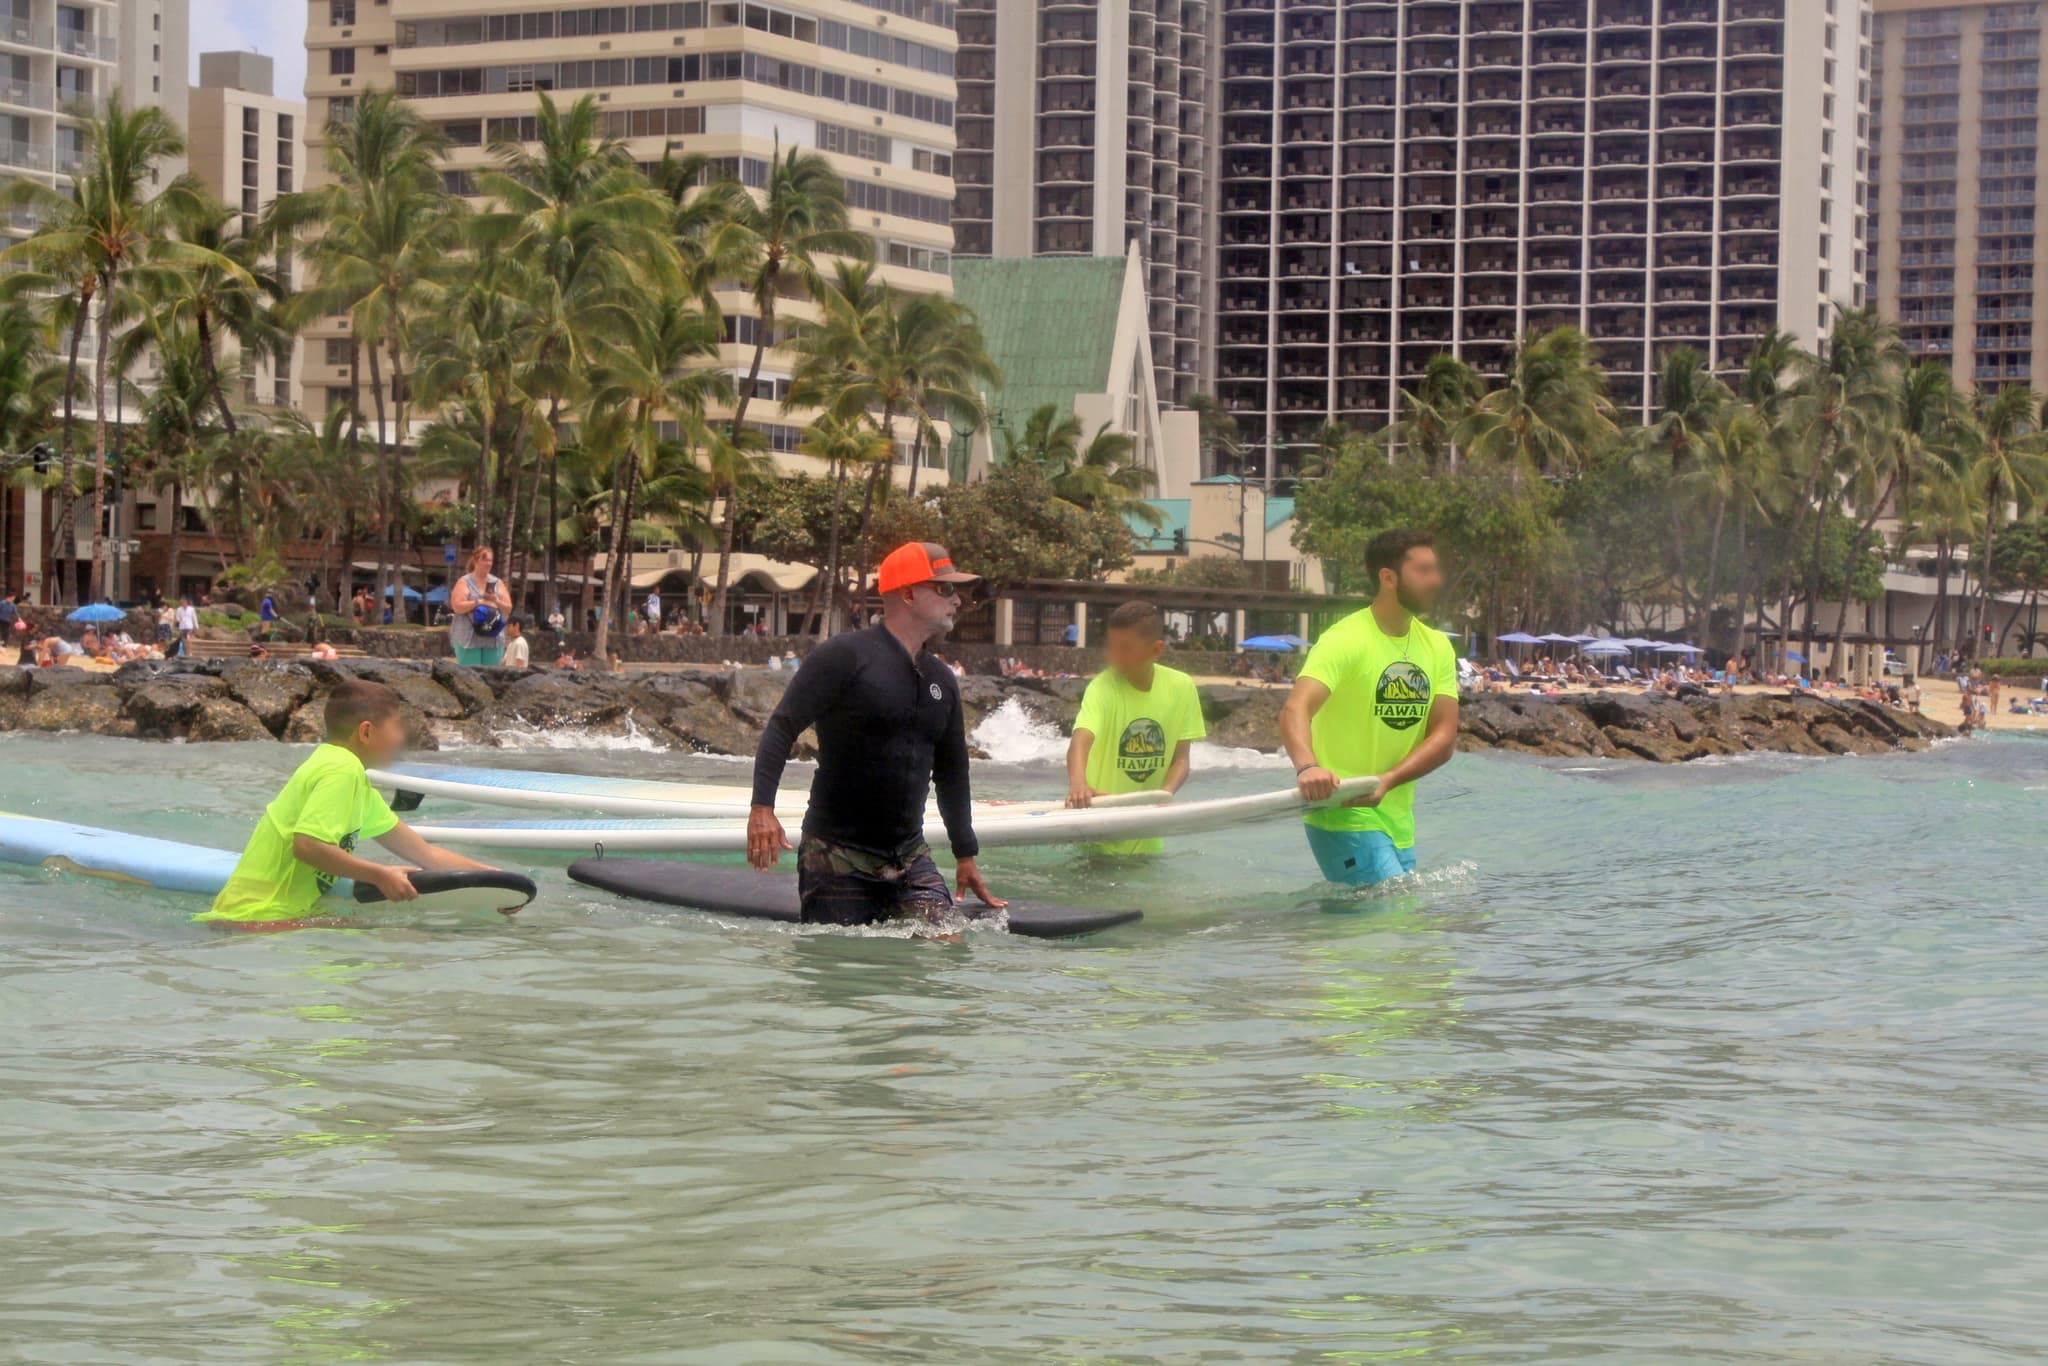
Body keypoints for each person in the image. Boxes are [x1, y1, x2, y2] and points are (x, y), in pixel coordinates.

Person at [748, 540, 1004, 928]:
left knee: (946, 943)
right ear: (908, 594)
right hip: (836, 853)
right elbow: (782, 728)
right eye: (946, 588)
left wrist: (965, 854)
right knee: (845, 961)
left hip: (909, 856)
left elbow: (952, 772)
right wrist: (762, 809)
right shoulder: (844, 657)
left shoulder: (941, 680)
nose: (957, 600)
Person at [199, 680, 499, 929]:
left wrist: (497, 880)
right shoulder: (341, 769)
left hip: (258, 919)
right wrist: (378, 874)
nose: (401, 738)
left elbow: (425, 854)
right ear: (366, 732)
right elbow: (307, 845)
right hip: (253, 920)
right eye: (396, 727)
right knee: (397, 942)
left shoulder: (352, 780)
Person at [1279, 529, 1460, 887]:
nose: (1436, 580)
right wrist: (1308, 767)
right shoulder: (1345, 639)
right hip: (1342, 811)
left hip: (1396, 817)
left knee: (1390, 920)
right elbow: (1295, 709)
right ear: (1388, 577)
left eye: (1435, 570)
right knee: (1390, 911)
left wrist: (1388, 781)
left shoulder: (1438, 646)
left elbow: (1444, 736)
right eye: (1423, 571)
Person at [1065, 601, 1207, 856]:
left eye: (1125, 649)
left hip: (1148, 839)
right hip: (1096, 837)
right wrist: (1078, 785)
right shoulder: (1102, 687)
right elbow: (1080, 740)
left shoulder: (1182, 687)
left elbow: (1181, 760)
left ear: (1156, 649)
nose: (1114, 656)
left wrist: (1164, 796)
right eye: (1111, 646)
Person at [447, 546, 513, 666]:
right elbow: (457, 606)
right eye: (485, 560)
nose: (488, 563)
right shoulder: (464, 581)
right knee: (470, 674)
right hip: (468, 638)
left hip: (493, 638)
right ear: (476, 560)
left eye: (490, 560)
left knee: (492, 675)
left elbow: (508, 608)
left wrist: (496, 601)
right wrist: (478, 602)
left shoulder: (497, 582)